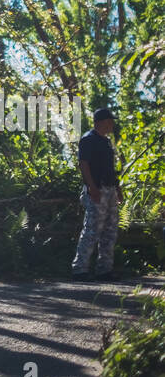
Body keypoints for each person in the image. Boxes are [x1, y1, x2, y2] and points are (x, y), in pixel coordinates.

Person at [71, 107, 121, 281]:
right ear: (100, 122)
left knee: (110, 230)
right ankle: (80, 269)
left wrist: (118, 189)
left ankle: (104, 269)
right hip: (96, 189)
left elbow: (110, 168)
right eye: (109, 121)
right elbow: (83, 165)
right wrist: (92, 188)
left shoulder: (106, 142)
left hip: (110, 189)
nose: (112, 124)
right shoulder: (88, 139)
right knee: (92, 229)